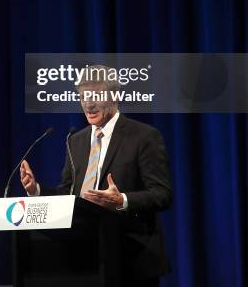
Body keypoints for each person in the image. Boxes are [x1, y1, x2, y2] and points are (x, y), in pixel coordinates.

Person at [20, 66, 172, 286]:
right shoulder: (76, 140)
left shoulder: (144, 136)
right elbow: (68, 193)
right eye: (83, 97)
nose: (88, 104)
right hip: (85, 259)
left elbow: (162, 194)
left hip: (132, 259)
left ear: (115, 96)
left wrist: (122, 200)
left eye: (96, 96)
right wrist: (37, 190)